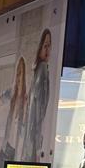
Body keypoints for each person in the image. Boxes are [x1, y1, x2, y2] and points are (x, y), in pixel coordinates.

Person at [25, 29, 53, 160]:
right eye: (45, 46)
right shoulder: (42, 69)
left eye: (49, 46)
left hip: (32, 131)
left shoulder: (38, 69)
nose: (47, 50)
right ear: (40, 47)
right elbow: (39, 107)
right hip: (35, 131)